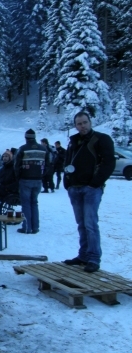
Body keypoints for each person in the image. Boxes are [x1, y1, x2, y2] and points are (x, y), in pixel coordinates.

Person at [63, 111, 115, 273]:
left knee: (90, 223)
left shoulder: (101, 139)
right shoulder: (73, 141)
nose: (82, 126)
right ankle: (83, 254)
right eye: (79, 123)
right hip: (75, 187)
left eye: (85, 122)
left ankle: (93, 257)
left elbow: (109, 162)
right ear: (75, 125)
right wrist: (67, 182)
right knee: (81, 224)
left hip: (91, 188)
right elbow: (67, 161)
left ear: (90, 122)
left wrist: (96, 182)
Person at [14, 129, 49, 234]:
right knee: (34, 203)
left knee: (26, 204)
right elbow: (48, 165)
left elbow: (16, 165)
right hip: (38, 180)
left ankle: (27, 227)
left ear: (26, 138)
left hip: (25, 179)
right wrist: (42, 175)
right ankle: (35, 227)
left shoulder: (22, 149)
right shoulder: (43, 149)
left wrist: (18, 177)